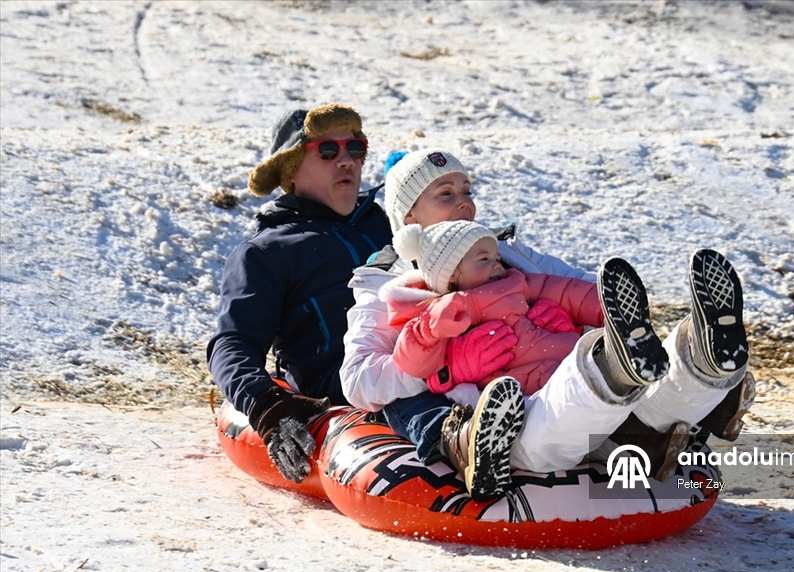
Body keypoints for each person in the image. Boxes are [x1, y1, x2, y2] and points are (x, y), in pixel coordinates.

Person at [341, 148, 754, 492]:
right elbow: (358, 379)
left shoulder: (510, 256)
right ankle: (625, 375)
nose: (464, 202)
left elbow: (582, 292)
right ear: (410, 219)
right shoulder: (390, 287)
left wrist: (587, 316)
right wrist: (443, 359)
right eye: (445, 194)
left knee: (619, 380)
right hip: (497, 406)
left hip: (554, 362)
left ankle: (701, 362)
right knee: (563, 406)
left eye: (467, 189)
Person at [207, 104, 393, 484]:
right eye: (328, 150)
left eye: (355, 148)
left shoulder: (389, 225)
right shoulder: (266, 253)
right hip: (351, 386)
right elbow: (232, 343)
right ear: (291, 168)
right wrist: (268, 408)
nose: (347, 162)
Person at [380, 219, 611, 497]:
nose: (498, 265)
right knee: (560, 416)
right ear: (452, 274)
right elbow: (413, 363)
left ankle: (648, 425)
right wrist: (431, 332)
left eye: (497, 257)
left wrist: (606, 308)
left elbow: (565, 291)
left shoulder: (519, 283)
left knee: (598, 402)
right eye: (484, 258)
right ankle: (489, 447)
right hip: (519, 393)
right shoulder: (440, 311)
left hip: (559, 366)